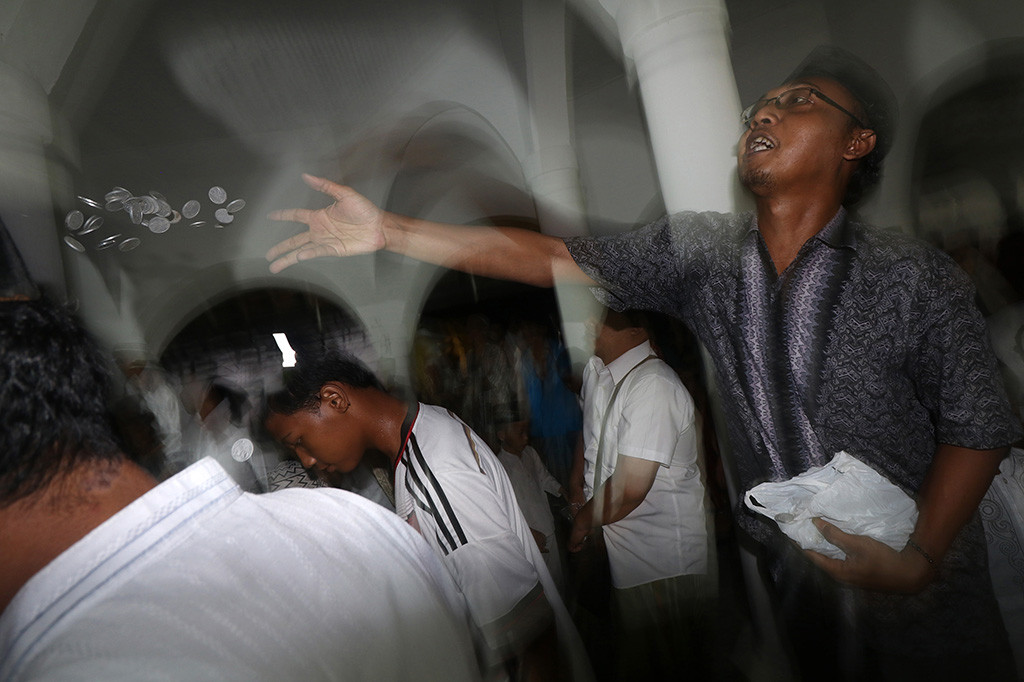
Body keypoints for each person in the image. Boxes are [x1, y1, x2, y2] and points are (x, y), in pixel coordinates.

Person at [265, 46, 1021, 680]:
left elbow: (980, 425)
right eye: (759, 106)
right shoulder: (709, 258)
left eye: (799, 103)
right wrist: (390, 231)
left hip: (925, 599)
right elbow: (552, 254)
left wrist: (922, 556)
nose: (763, 114)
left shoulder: (910, 276)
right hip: (806, 596)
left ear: (856, 144)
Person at [0, 295, 480, 681]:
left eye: (301, 442)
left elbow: (497, 597)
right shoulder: (354, 524)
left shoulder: (74, 663)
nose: (308, 462)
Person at [262, 352, 590, 681]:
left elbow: (527, 632)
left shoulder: (432, 475)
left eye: (299, 441)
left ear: (334, 399)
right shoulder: (427, 426)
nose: (306, 461)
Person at [567, 308, 713, 679]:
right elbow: (589, 433)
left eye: (600, 316)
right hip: (617, 550)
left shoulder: (654, 385)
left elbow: (629, 490)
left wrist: (581, 523)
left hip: (658, 564)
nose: (586, 322)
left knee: (666, 663)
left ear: (637, 327)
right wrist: (576, 484)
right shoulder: (596, 370)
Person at [494, 414, 569, 592]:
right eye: (519, 432)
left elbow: (544, 477)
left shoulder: (530, 453)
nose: (526, 437)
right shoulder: (499, 466)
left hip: (547, 525)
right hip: (528, 536)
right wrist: (528, 532)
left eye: (526, 431)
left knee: (557, 580)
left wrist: (563, 491)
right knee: (540, 585)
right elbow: (503, 507)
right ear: (502, 435)